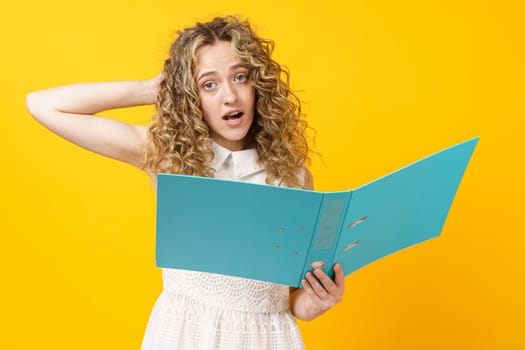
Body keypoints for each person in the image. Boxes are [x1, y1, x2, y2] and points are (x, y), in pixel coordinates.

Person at [26, 15, 345, 349]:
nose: (230, 96)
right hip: (185, 334)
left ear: (259, 85)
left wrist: (316, 301)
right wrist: (150, 90)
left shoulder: (293, 176)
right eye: (209, 84)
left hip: (265, 337)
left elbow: (291, 300)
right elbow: (43, 105)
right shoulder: (169, 158)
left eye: (240, 77)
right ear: (190, 97)